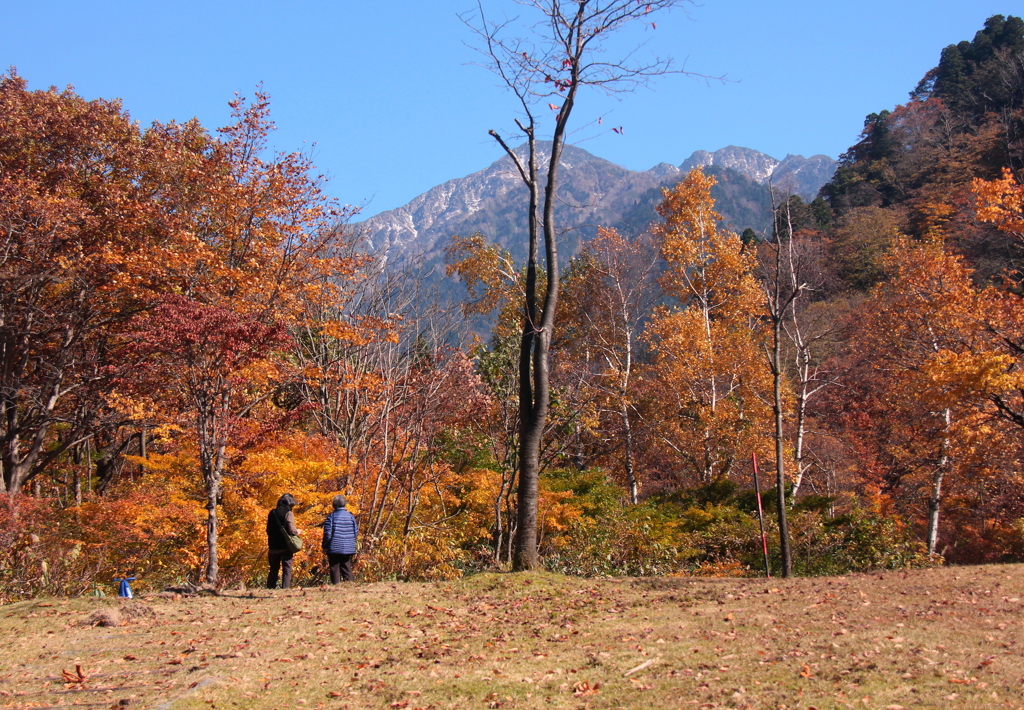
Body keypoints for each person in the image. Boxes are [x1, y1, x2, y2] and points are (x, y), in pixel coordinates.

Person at [322, 494, 358, 583]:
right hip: (348, 547)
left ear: (334, 505)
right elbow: (355, 532)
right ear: (344, 504)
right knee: (346, 567)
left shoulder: (331, 517)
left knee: (334, 568)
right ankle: (350, 585)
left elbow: (328, 534)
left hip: (334, 546)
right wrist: (351, 542)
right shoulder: (351, 516)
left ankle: (336, 586)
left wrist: (324, 545)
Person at [266, 493, 300, 589]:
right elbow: (291, 530)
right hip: (285, 546)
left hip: (273, 545)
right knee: (287, 569)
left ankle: (270, 588)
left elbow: (268, 530)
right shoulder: (288, 513)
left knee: (273, 569)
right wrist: (298, 531)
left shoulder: (272, 513)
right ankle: (285, 588)